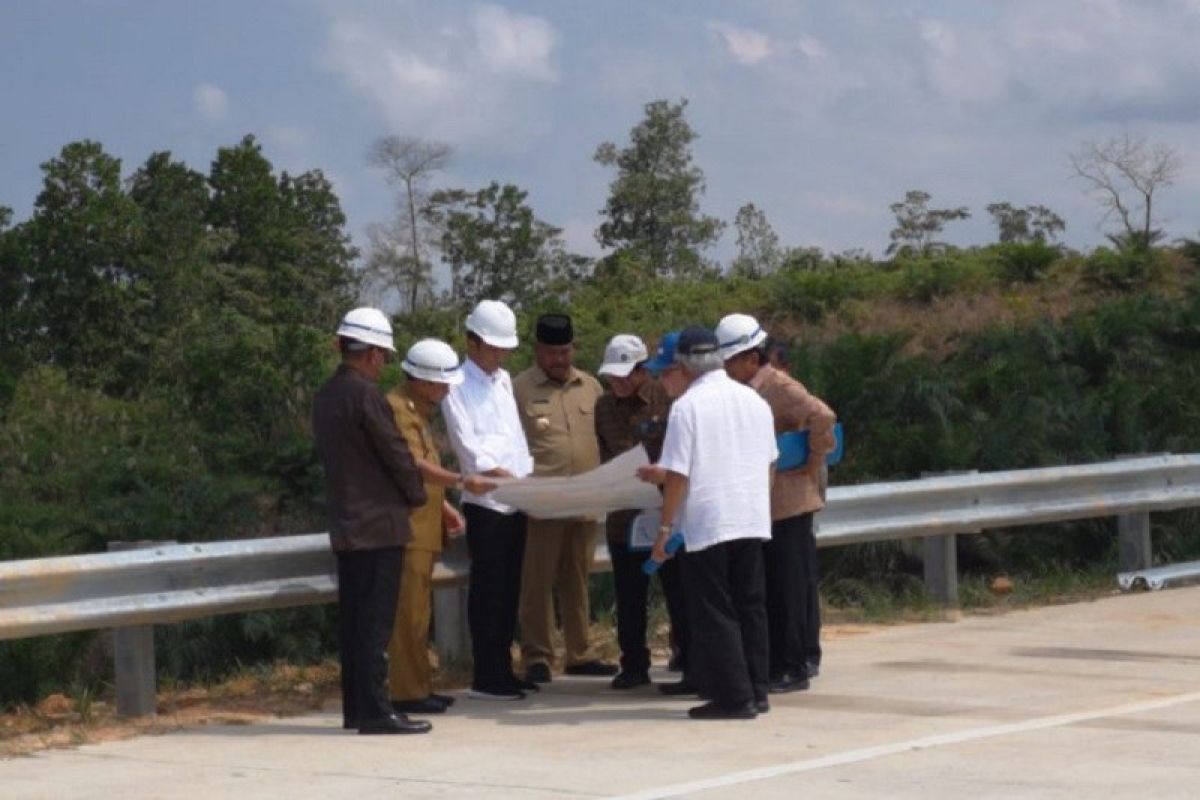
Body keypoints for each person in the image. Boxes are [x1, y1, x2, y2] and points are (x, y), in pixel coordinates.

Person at [645, 325, 778, 720]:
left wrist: (665, 530)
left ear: (684, 366)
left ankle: (732, 697)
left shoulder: (688, 407)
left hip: (708, 523)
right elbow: (771, 461)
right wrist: (757, 503)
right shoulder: (753, 399)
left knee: (716, 612)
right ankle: (757, 690)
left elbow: (677, 475)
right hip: (751, 518)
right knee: (750, 607)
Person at [311, 307, 431, 735]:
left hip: (347, 522)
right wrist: (416, 495)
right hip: (379, 524)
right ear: (374, 355)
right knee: (376, 625)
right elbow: (395, 453)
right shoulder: (366, 396)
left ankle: (357, 709)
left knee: (355, 624)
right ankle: (378, 711)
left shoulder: (327, 395)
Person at [716, 313, 836, 690]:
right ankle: (779, 660)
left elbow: (822, 416)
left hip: (790, 501)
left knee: (789, 587)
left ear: (752, 358)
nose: (726, 368)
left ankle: (794, 665)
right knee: (773, 586)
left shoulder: (778, 385)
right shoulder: (745, 390)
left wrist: (813, 461)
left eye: (731, 360)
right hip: (765, 502)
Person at [384, 339, 498, 715]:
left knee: (419, 613)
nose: (447, 390)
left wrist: (445, 505)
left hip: (425, 521)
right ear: (421, 380)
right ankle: (407, 691)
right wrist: (463, 482)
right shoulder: (399, 409)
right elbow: (414, 466)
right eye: (441, 383)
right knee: (409, 615)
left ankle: (418, 686)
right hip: (409, 527)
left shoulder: (417, 409)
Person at [441, 300, 538, 700]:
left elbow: (514, 435)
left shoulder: (502, 381)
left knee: (510, 588)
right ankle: (487, 673)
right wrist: (494, 472)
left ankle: (503, 667)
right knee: (490, 589)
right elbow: (466, 444)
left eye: (504, 348)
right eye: (493, 347)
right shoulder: (456, 384)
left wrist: (526, 475)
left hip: (515, 497)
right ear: (472, 342)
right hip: (485, 502)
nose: (499, 355)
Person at [512, 314, 617, 683]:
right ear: (538, 351)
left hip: (585, 497)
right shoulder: (518, 389)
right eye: (553, 352)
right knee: (537, 582)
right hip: (542, 501)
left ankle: (579, 652)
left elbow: (605, 437)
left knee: (577, 578)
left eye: (566, 350)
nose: (560, 358)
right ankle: (538, 656)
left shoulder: (589, 386)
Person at [594, 333, 692, 691]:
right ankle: (633, 664)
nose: (617, 383)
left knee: (678, 590)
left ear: (642, 371)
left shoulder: (668, 398)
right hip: (624, 515)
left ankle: (688, 656)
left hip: (666, 510)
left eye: (625, 375)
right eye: (612, 376)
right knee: (629, 595)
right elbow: (604, 454)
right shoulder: (602, 407)